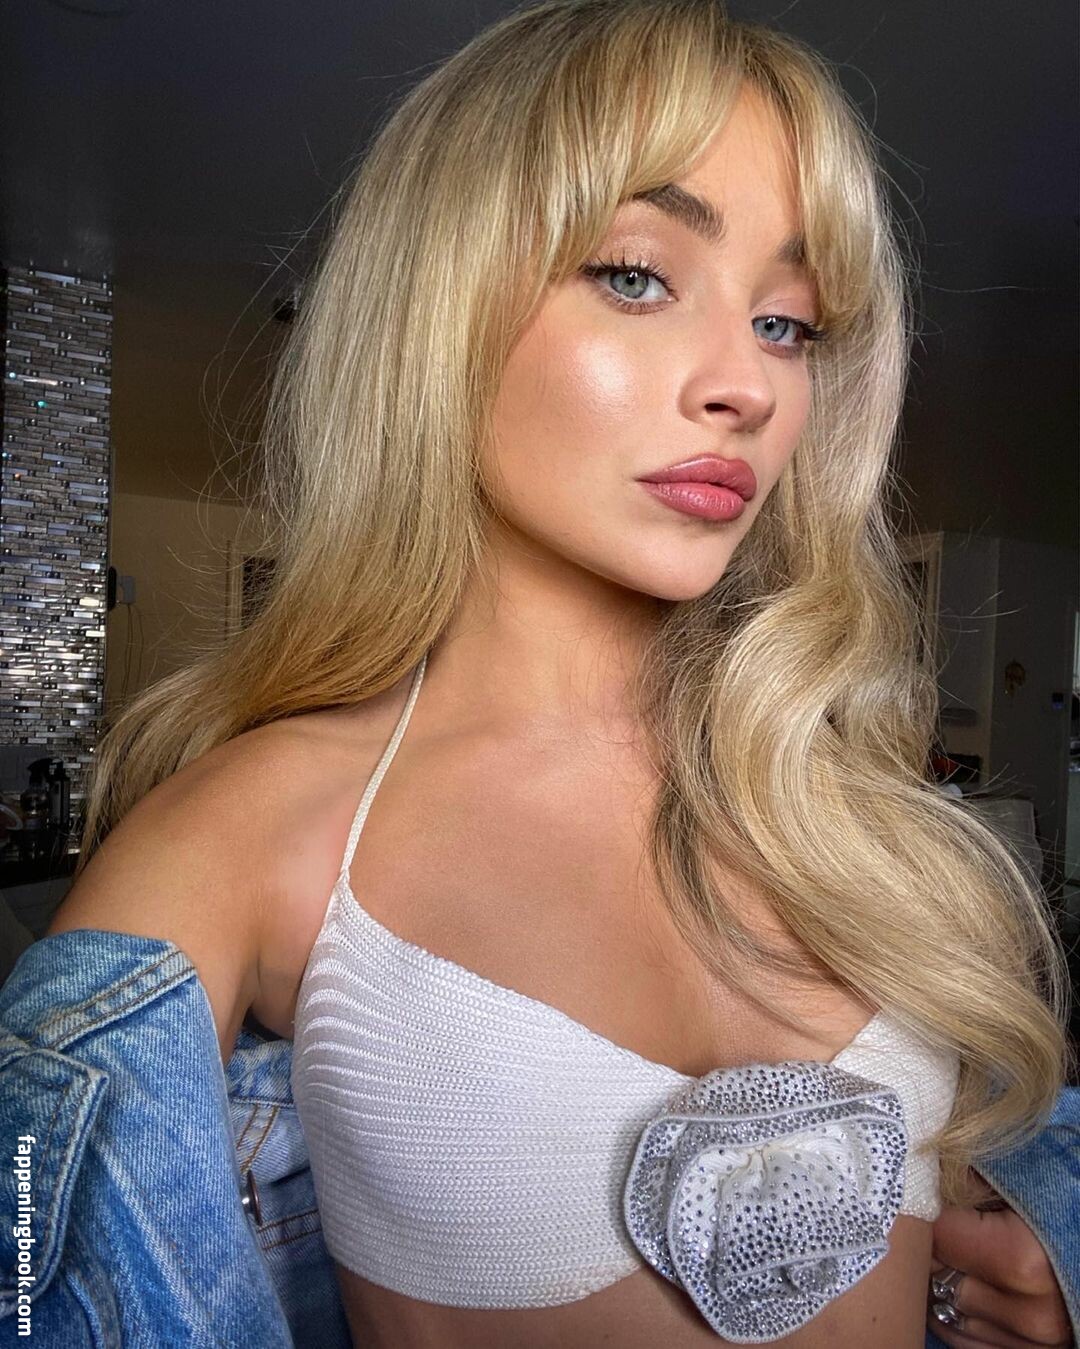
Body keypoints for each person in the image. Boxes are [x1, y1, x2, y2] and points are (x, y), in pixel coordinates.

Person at [19, 0, 1076, 1345]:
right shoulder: (249, 837)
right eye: (636, 276)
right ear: (438, 307)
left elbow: (981, 1154)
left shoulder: (828, 794)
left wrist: (1049, 1244)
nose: (748, 386)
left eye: (787, 322)